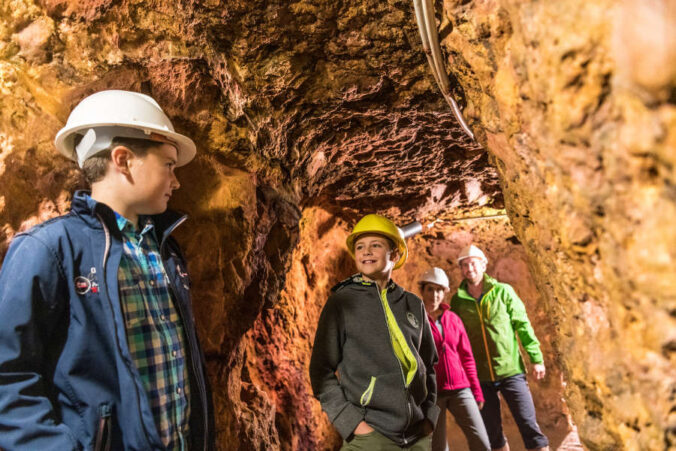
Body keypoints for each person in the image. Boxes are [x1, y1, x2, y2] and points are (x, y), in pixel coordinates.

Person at [0, 90, 215, 450]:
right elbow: (8, 376)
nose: (176, 182)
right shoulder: (49, 250)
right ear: (123, 159)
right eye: (168, 164)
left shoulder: (165, 250)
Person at [309, 214, 439, 450]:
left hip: (417, 435)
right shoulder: (342, 302)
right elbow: (321, 371)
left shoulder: (413, 304)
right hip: (370, 436)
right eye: (360, 247)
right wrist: (353, 425)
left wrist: (430, 417)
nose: (366, 252)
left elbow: (429, 365)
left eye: (375, 245)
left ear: (395, 254)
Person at [451, 245, 549, 451]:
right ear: (461, 269)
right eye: (465, 265)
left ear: (483, 264)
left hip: (510, 370)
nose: (470, 269)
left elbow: (522, 325)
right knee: (492, 432)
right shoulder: (458, 301)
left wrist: (536, 358)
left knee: (528, 425)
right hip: (480, 376)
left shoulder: (503, 292)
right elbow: (457, 339)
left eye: (474, 264)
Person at [419, 267, 490, 451]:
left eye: (439, 290)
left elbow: (467, 357)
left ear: (444, 293)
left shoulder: (453, 319)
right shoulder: (414, 322)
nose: (435, 295)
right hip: (433, 394)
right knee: (438, 448)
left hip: (461, 389)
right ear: (422, 290)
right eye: (430, 289)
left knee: (481, 442)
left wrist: (476, 390)